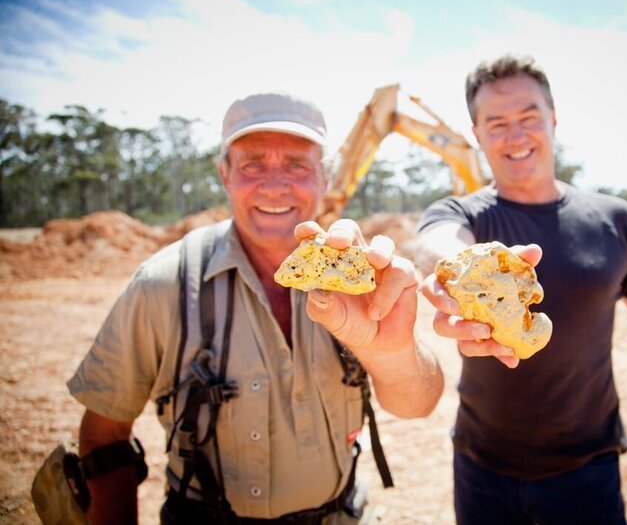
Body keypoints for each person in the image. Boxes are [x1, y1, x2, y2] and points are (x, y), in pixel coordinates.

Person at [67, 92, 444, 524]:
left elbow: (418, 405)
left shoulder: (358, 280)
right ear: (225, 174)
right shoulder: (163, 285)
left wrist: (389, 349)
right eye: (252, 164)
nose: (274, 184)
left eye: (298, 165)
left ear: (326, 178)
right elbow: (104, 438)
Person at [416, 54, 627, 524]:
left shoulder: (616, 221)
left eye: (529, 117)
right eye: (497, 123)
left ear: (553, 119)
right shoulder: (462, 215)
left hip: (588, 473)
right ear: (476, 134)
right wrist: (458, 266)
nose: (516, 136)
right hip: (481, 469)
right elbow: (436, 242)